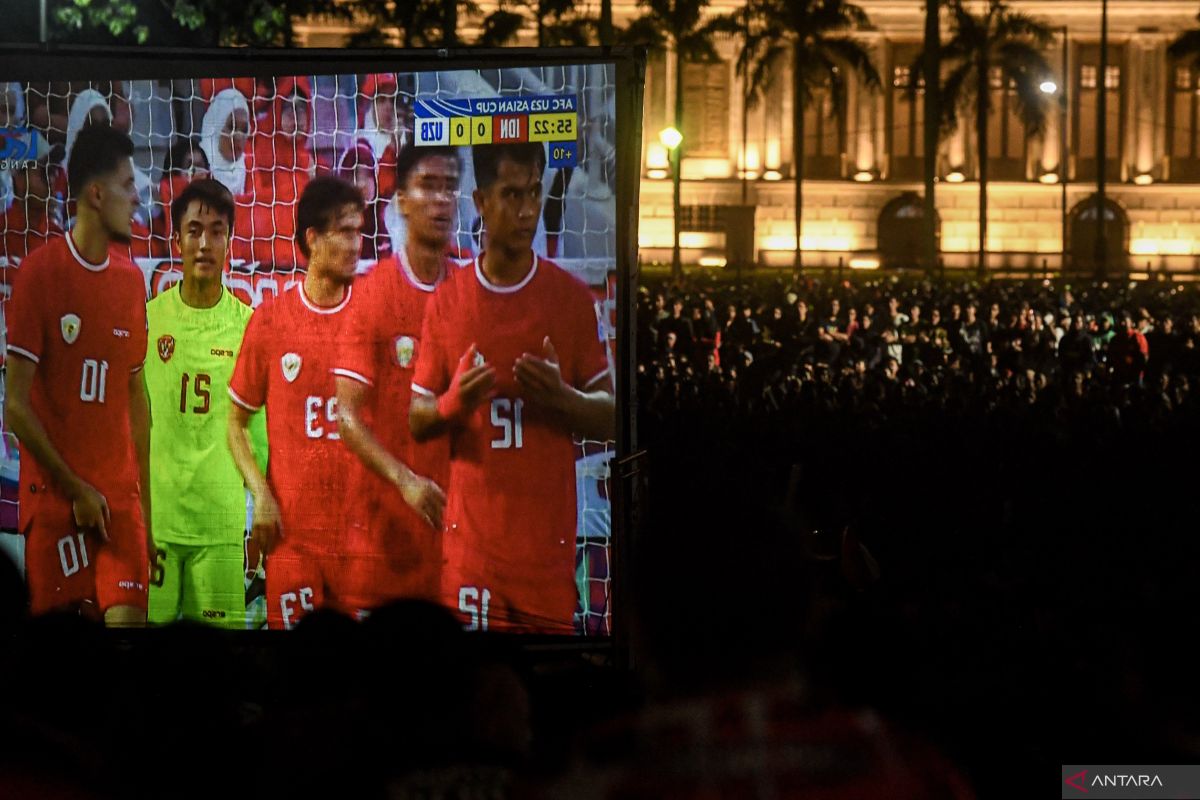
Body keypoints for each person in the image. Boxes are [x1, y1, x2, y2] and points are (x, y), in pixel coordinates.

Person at [410, 141, 613, 634]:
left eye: (533, 194)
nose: (526, 211)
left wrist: (565, 400)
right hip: (471, 557)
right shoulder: (449, 300)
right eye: (511, 195)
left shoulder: (568, 299)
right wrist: (453, 403)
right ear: (479, 202)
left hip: (545, 555)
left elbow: (612, 416)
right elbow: (417, 417)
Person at [226, 177, 397, 629]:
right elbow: (235, 422)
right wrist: (260, 494)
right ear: (312, 239)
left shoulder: (373, 320)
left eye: (360, 232)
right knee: (297, 684)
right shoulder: (272, 320)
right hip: (294, 545)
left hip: (362, 544)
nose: (356, 244)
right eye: (344, 232)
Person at [4, 124, 152, 626]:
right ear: (95, 193)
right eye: (128, 185)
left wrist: (144, 512)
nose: (137, 197)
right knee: (67, 678)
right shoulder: (39, 274)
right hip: (56, 506)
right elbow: (16, 408)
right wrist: (76, 489)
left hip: (120, 507)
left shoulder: (132, 282)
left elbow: (137, 400)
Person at [333, 145, 461, 609]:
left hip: (453, 544)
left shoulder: (467, 294)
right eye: (428, 186)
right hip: (380, 540)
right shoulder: (373, 293)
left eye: (450, 187)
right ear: (401, 200)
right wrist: (405, 480)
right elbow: (346, 416)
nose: (441, 200)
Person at [143, 179, 265, 628]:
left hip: (221, 530)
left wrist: (256, 516)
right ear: (176, 240)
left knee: (221, 673)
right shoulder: (149, 319)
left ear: (231, 239)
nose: (205, 243)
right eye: (194, 230)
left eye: (217, 231)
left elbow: (260, 435)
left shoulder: (248, 326)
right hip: (157, 526)